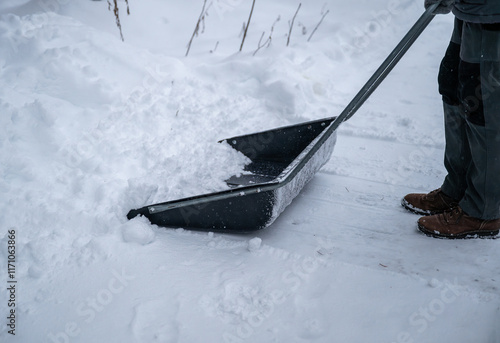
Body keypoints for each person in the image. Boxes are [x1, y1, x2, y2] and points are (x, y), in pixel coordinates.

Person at [401, 0, 500, 239]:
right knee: (452, 83)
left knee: (482, 104)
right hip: (472, 10)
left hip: (492, 15)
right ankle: (459, 189)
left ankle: (483, 211)